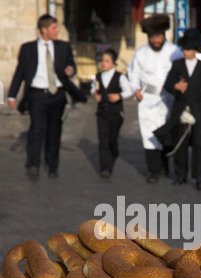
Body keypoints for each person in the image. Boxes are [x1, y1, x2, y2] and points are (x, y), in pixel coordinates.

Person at [7, 14, 86, 179]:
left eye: (57, 27)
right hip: (37, 94)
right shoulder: (28, 48)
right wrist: (12, 95)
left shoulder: (63, 47)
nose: (57, 31)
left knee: (54, 131)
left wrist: (70, 69)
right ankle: (33, 163)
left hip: (57, 94)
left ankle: (52, 165)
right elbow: (20, 72)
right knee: (36, 129)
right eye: (54, 28)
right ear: (44, 30)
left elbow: (71, 64)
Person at [154, 28, 201, 190]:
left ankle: (199, 177)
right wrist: (176, 86)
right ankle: (181, 174)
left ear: (195, 50)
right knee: (179, 143)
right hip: (180, 109)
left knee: (198, 144)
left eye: (188, 49)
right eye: (184, 49)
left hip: (198, 109)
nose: (185, 52)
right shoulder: (177, 65)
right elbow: (167, 84)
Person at [127, 14, 183, 183]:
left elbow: (182, 72)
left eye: (158, 36)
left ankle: (166, 166)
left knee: (167, 133)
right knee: (149, 136)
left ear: (164, 35)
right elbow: (132, 73)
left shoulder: (174, 51)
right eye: (153, 37)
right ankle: (153, 171)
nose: (156, 40)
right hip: (148, 99)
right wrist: (136, 89)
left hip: (169, 99)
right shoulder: (141, 53)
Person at [90, 49, 133, 178]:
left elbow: (128, 91)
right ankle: (106, 168)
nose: (104, 63)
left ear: (113, 63)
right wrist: (95, 95)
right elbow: (94, 88)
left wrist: (118, 96)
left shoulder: (120, 77)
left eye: (107, 61)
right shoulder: (98, 77)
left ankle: (114, 151)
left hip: (115, 113)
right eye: (102, 60)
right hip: (102, 112)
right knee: (103, 140)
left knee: (112, 139)